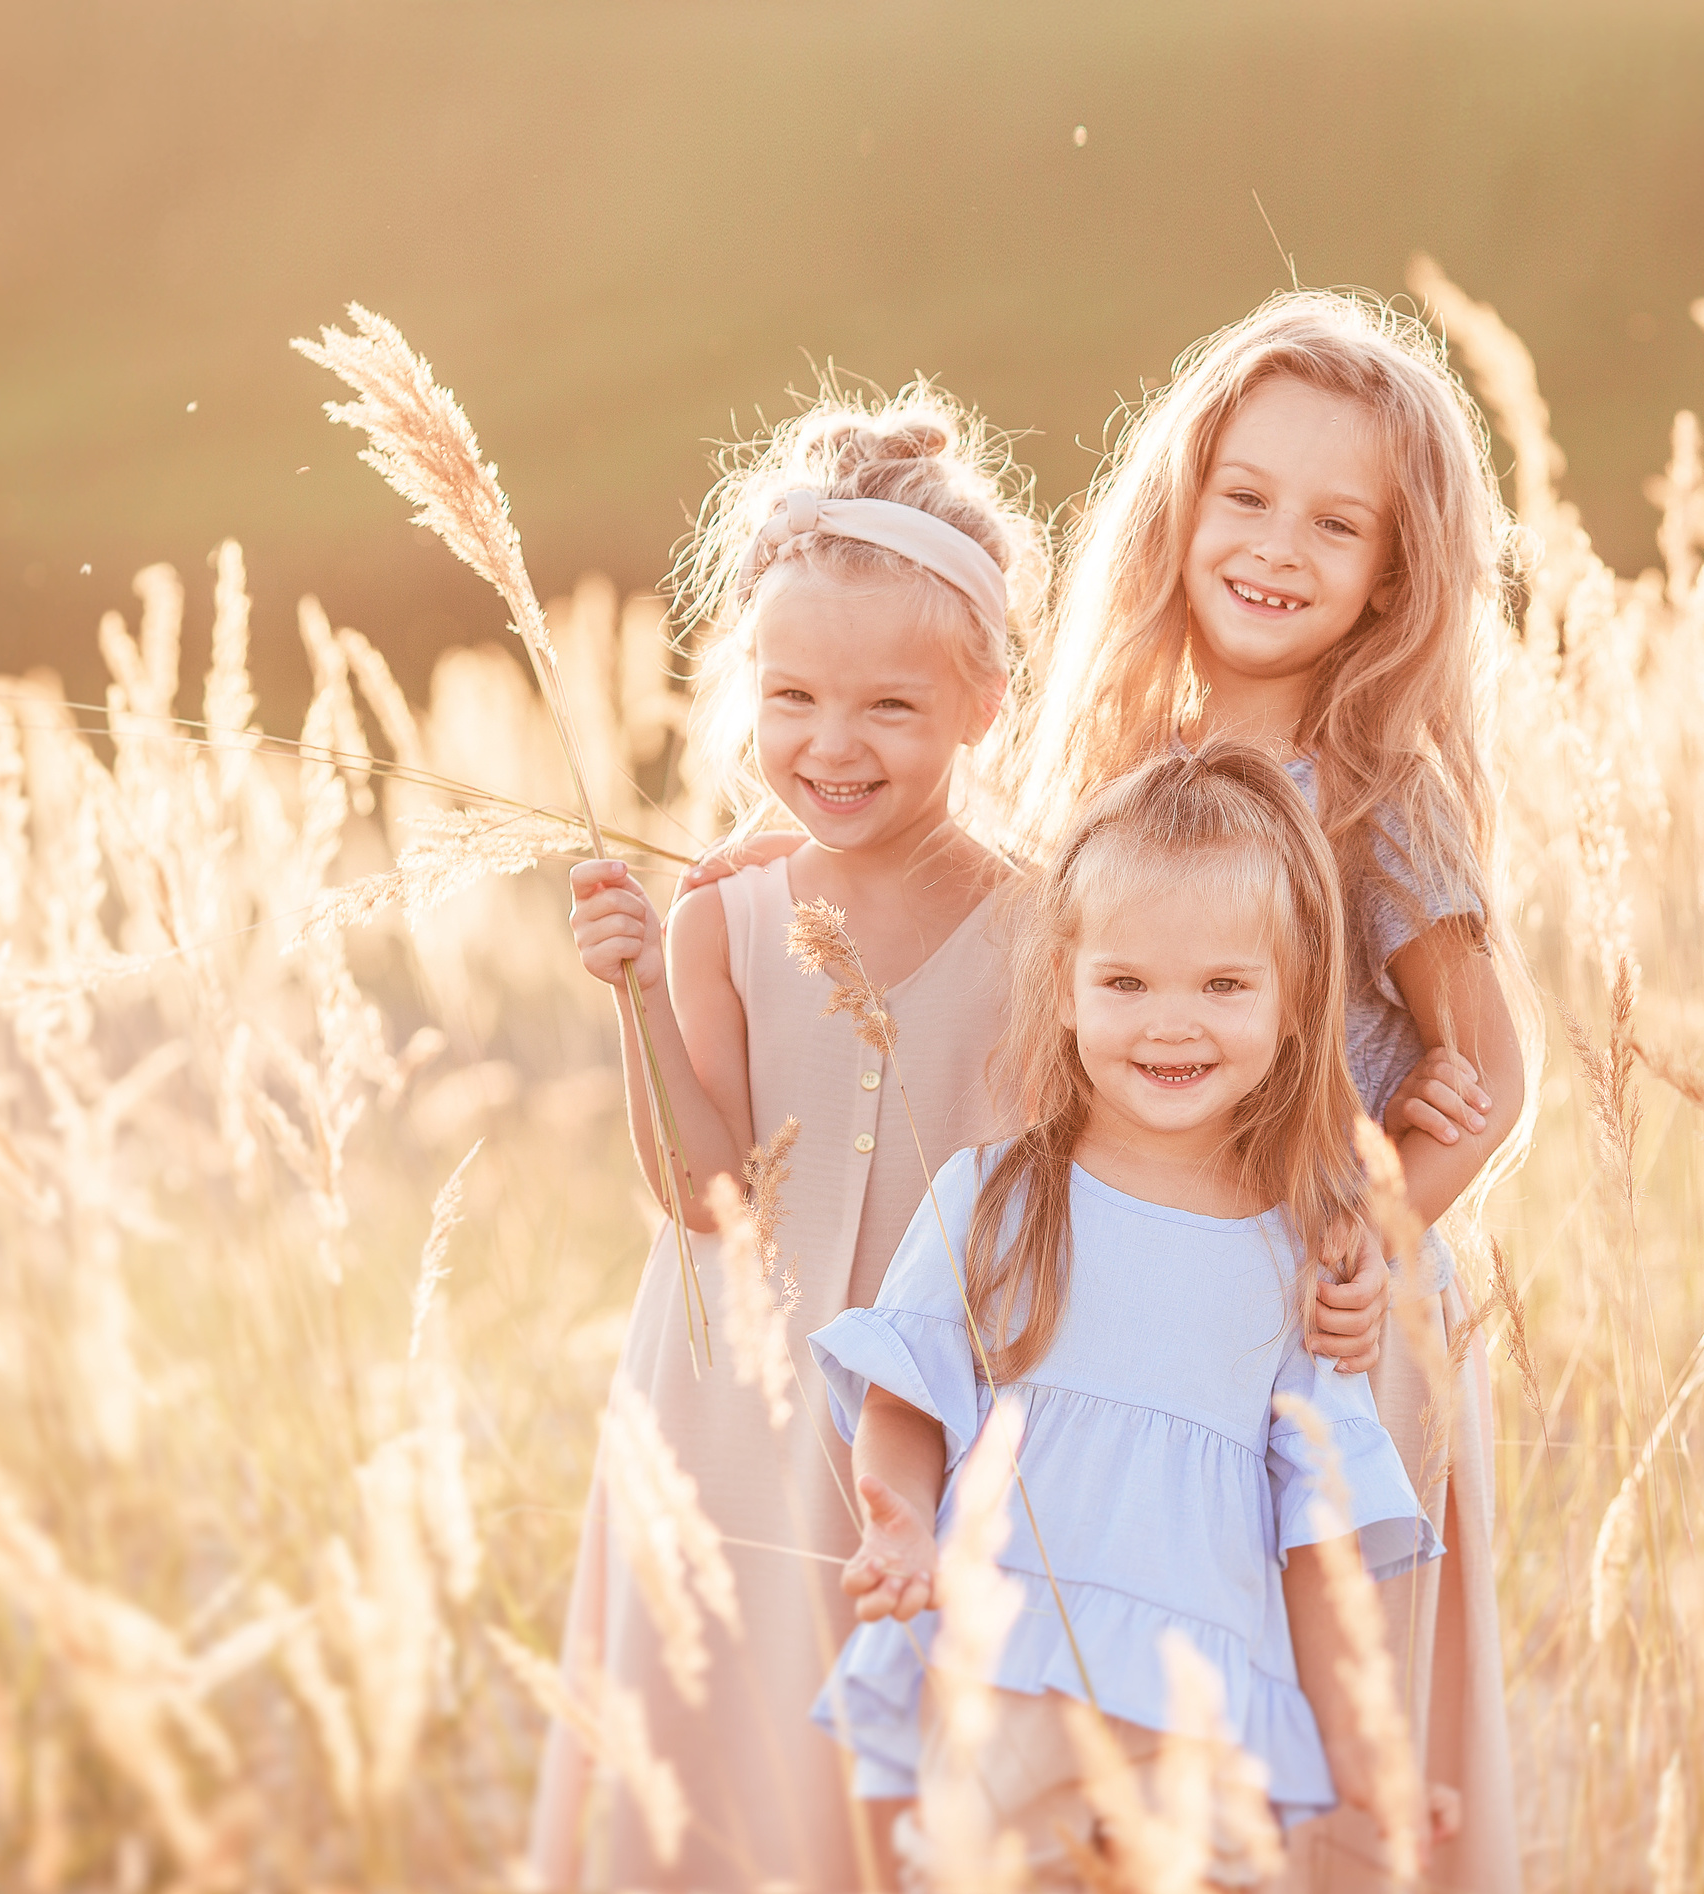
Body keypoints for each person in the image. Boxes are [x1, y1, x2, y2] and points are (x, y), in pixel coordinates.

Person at [529, 387, 1387, 1890]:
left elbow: (1131, 1149)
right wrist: (633, 991)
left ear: (986, 700)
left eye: (888, 709)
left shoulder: (1046, 920)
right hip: (727, 1407)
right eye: (789, 699)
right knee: (719, 1769)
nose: (830, 745)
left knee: (899, 1782)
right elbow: (703, 1191)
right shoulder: (722, 913)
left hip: (939, 1424)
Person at [1010, 289, 1542, 1892]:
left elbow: (1492, 1069)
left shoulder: (1379, 798)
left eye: (1336, 521)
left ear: (1393, 574)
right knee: (1135, 1749)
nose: (1274, 544)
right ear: (1182, 508)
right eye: (1244, 496)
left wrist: (1377, 1232)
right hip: (1141, 1322)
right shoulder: (1117, 764)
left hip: (1319, 1337)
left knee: (1310, 1754)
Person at [812, 741, 1449, 1888]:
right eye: (1125, 983)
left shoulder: (1305, 1251)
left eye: (1222, 985)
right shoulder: (999, 1196)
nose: (1171, 1024)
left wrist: (1363, 1749)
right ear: (1064, 986)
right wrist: (897, 1516)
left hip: (1201, 1710)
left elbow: (1316, 1533)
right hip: (1004, 1672)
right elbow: (907, 1394)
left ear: (1296, 999)